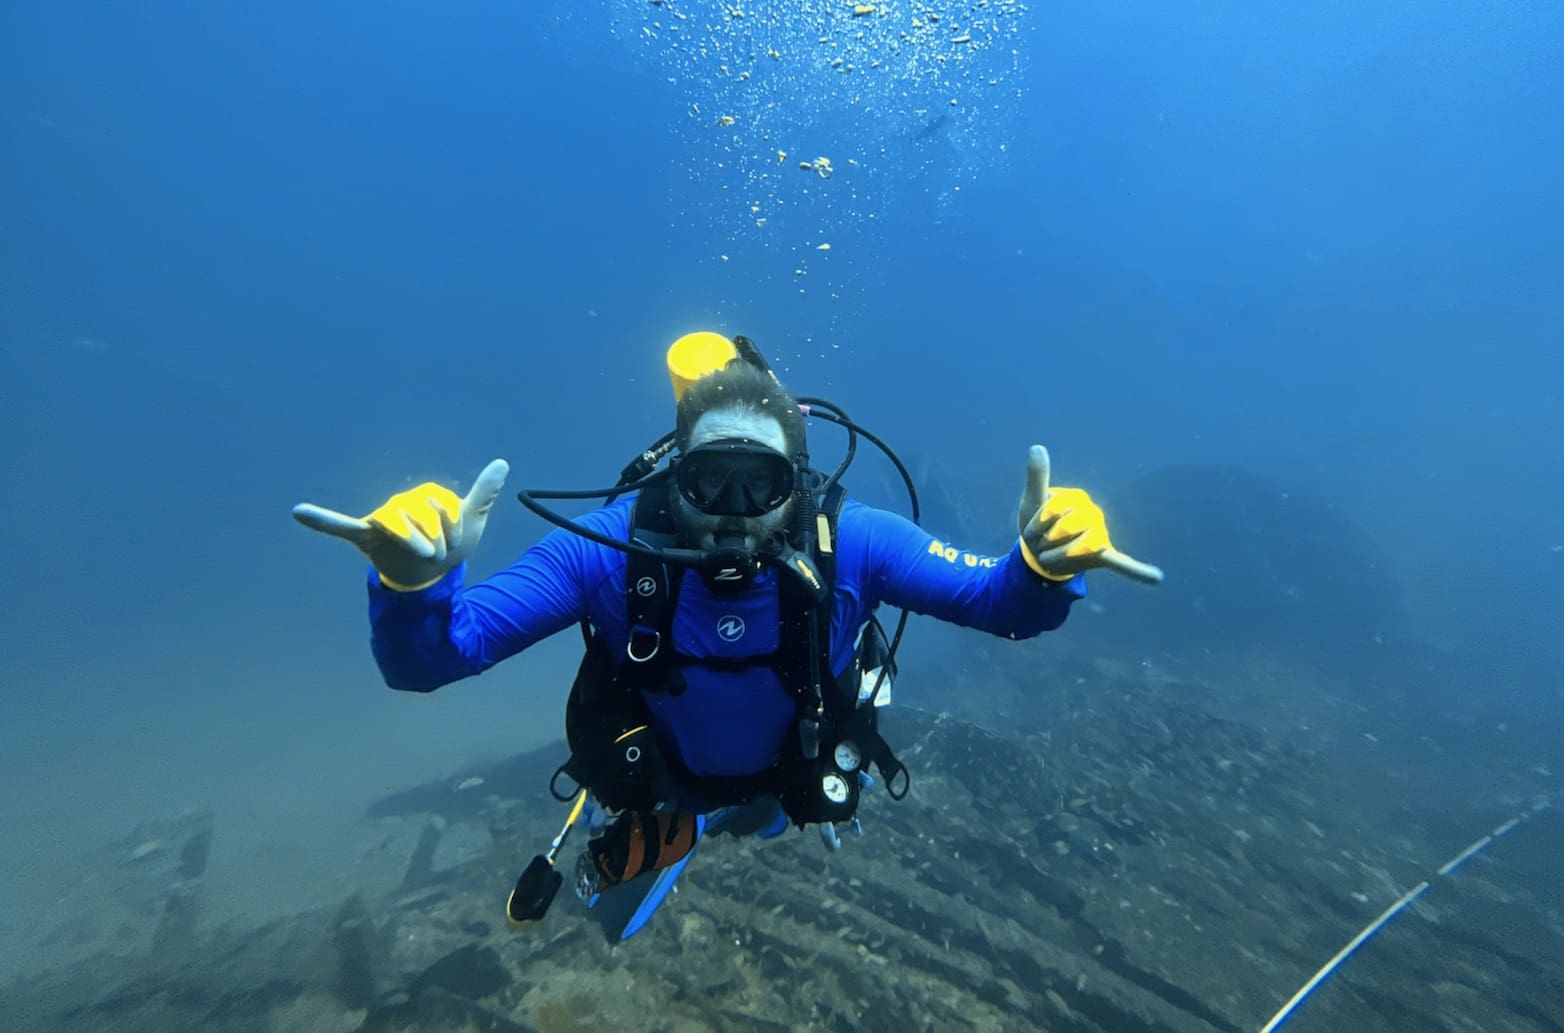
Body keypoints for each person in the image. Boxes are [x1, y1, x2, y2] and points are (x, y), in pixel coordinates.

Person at [293, 332, 1161, 937]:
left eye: (763, 484)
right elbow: (435, 660)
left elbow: (1000, 605)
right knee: (695, 806)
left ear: (801, 482)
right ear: (677, 472)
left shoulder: (851, 539)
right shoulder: (604, 551)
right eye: (713, 481)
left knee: (771, 817)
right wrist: (412, 586)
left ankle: (708, 822)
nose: (735, 515)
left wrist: (1044, 567)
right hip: (664, 773)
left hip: (790, 771)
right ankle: (680, 824)